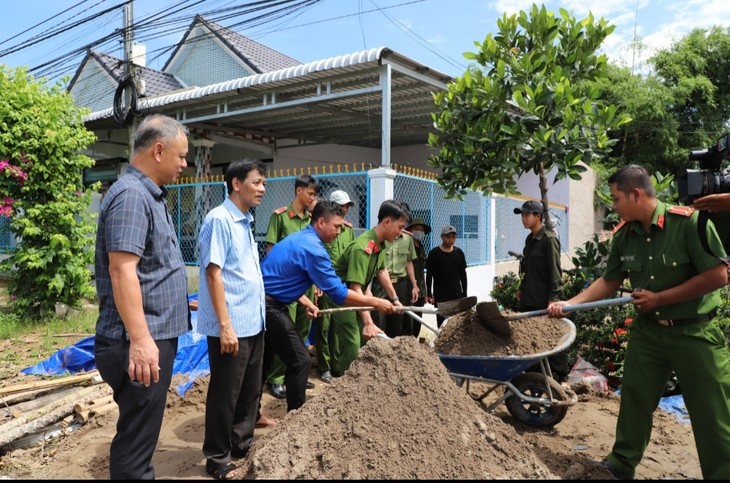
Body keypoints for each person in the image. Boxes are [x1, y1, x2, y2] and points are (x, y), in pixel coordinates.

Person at [547, 165, 730, 480]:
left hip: (695, 330)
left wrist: (661, 298)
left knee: (712, 409)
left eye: (616, 199)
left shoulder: (687, 223)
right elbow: (610, 280)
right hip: (648, 332)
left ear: (636, 193)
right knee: (634, 397)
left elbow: (718, 275)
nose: (613, 206)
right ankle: (621, 463)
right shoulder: (625, 235)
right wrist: (570, 304)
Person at [93, 114, 191, 480]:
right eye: (181, 156)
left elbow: (149, 268)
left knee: (140, 434)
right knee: (136, 446)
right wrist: (140, 339)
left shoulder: (146, 195)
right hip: (138, 343)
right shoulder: (133, 196)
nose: (184, 164)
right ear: (159, 149)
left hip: (147, 338)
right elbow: (122, 272)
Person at [260, 200, 396, 411]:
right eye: (337, 226)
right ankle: (295, 417)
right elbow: (339, 293)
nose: (340, 231)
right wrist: (376, 302)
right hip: (268, 307)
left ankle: (252, 415)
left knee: (263, 363)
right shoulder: (314, 249)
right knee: (301, 360)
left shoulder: (301, 238)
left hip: (266, 301)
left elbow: (283, 279)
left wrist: (305, 301)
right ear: (321, 222)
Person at [196, 159, 267, 480]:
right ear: (236, 183)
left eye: (264, 183)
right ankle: (217, 455)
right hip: (232, 325)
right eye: (256, 182)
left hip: (254, 322)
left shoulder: (245, 221)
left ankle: (241, 443)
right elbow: (214, 273)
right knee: (225, 392)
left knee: (250, 390)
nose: (262, 189)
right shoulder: (219, 220)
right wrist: (225, 325)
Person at [329, 199, 410, 375]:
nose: (401, 232)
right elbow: (355, 287)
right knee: (352, 342)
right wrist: (368, 322)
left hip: (357, 294)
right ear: (387, 222)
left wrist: (395, 299)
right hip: (343, 297)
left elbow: (381, 272)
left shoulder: (378, 244)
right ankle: (341, 383)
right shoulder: (362, 248)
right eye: (400, 227)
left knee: (366, 341)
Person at [263, 174, 320, 399]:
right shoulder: (280, 217)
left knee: (302, 331)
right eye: (310, 194)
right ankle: (275, 379)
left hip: (304, 284)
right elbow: (271, 252)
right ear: (299, 191)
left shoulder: (311, 220)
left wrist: (315, 284)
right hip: (286, 286)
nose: (312, 199)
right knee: (284, 332)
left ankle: (295, 376)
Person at [513, 200, 568, 384]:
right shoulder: (530, 240)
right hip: (529, 300)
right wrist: (522, 289)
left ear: (538, 217)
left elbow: (555, 272)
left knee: (550, 340)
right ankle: (533, 376)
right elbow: (529, 270)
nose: (523, 219)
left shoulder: (549, 240)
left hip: (544, 302)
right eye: (522, 215)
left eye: (527, 215)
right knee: (530, 341)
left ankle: (558, 378)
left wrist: (554, 299)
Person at [315, 190, 356, 383]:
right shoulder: (321, 228)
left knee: (341, 325)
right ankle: (324, 367)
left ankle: (339, 365)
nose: (346, 209)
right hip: (324, 282)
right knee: (324, 326)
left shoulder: (347, 229)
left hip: (341, 285)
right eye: (342, 206)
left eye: (347, 206)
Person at [370, 212, 419, 339]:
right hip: (380, 284)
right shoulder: (378, 238)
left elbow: (409, 262)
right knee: (378, 319)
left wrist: (414, 285)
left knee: (397, 320)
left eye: (403, 226)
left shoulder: (407, 239)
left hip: (400, 284)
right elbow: (377, 267)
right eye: (400, 226)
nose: (401, 230)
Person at [426, 225, 468, 328]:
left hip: (456, 295)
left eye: (453, 237)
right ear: (442, 237)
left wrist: (464, 294)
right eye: (448, 237)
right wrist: (429, 293)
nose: (451, 240)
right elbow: (429, 275)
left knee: (457, 325)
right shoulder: (434, 253)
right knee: (442, 325)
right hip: (441, 297)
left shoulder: (459, 253)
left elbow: (463, 274)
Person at [404, 217, 431, 337]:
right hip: (408, 292)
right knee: (407, 326)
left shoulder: (421, 248)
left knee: (417, 325)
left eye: (421, 230)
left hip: (420, 292)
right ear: (410, 230)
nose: (419, 232)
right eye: (416, 229)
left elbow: (421, 272)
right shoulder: (406, 246)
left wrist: (425, 292)